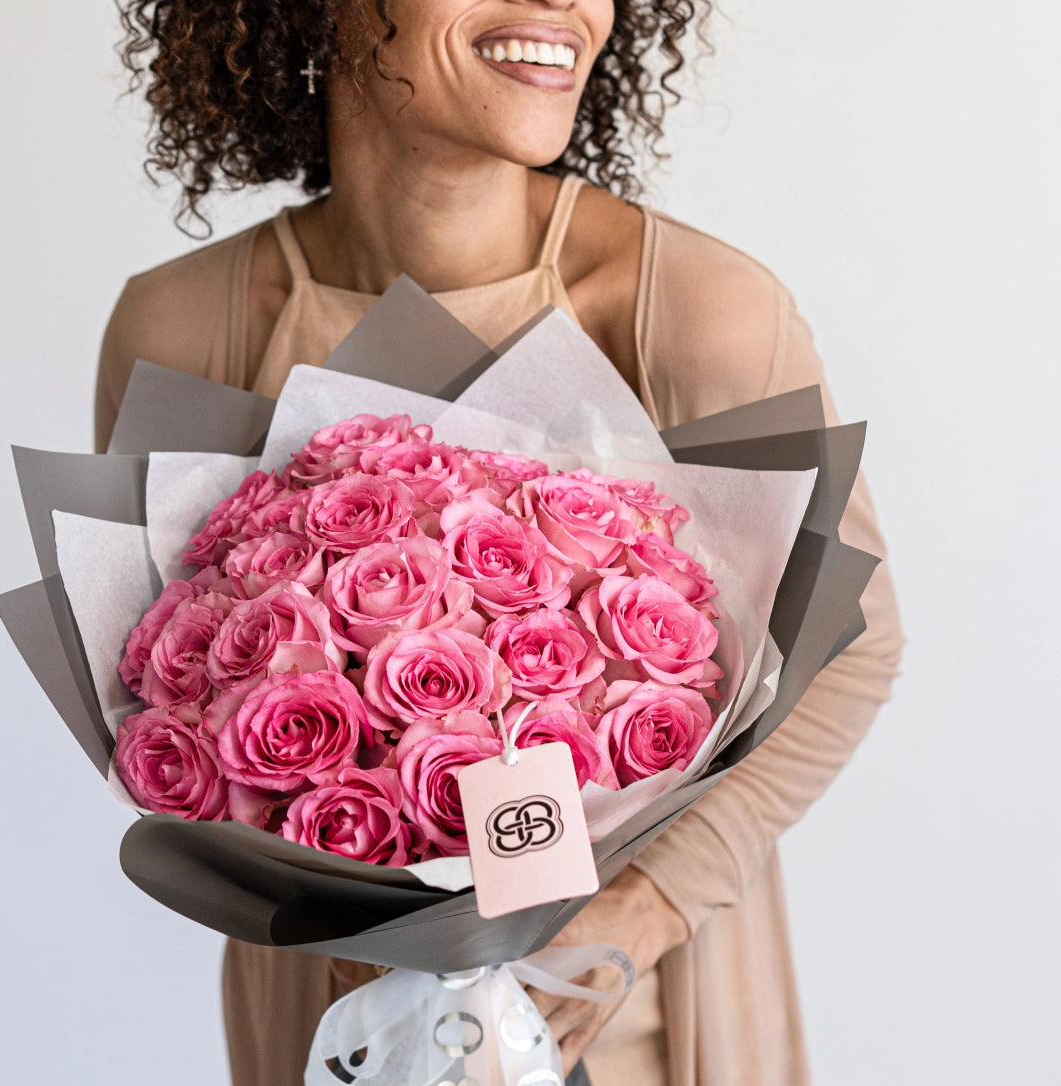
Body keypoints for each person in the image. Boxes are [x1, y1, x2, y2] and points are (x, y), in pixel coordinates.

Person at [95, 1, 904, 1083]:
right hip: (336, 1029)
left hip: (628, 1017)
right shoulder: (180, 331)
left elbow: (849, 651)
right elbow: (161, 699)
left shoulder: (695, 312)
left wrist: (636, 910)